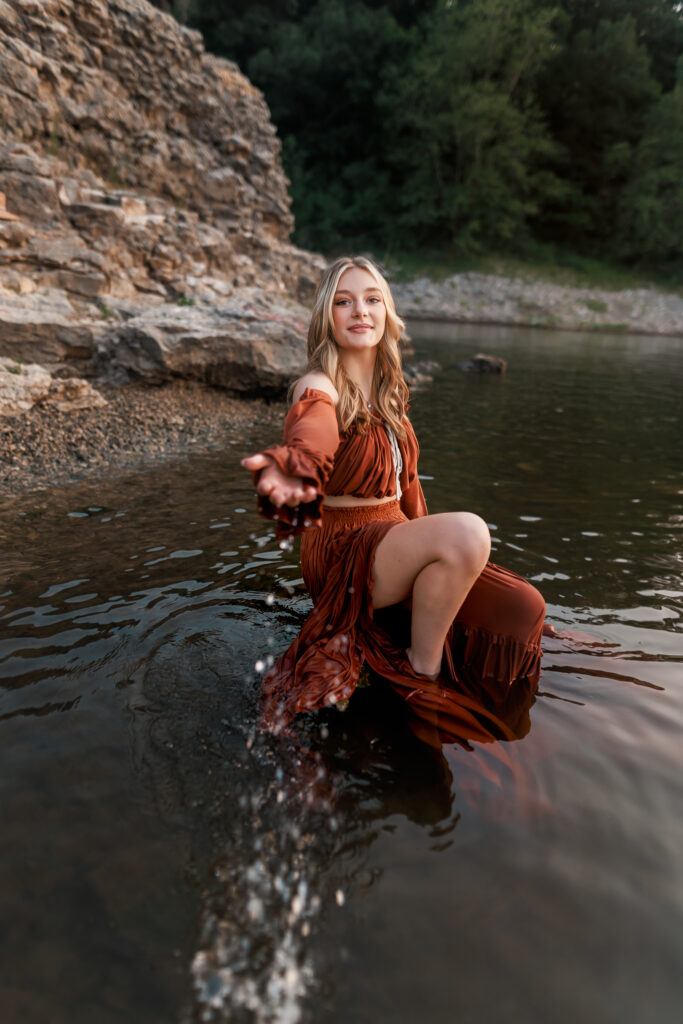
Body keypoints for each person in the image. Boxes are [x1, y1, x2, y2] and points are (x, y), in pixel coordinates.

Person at [242, 256, 547, 748]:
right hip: (344, 548)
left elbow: (411, 500)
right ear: (327, 317)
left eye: (371, 299)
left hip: (394, 540)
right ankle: (420, 678)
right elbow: (312, 427)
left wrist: (442, 556)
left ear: (387, 314)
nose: (359, 311)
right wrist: (301, 462)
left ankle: (452, 666)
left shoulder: (390, 397)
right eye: (343, 301)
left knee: (523, 607)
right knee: (470, 532)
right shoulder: (318, 384)